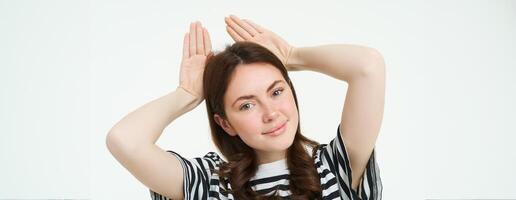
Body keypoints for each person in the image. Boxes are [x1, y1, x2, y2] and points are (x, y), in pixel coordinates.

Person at [106, 15, 385, 200]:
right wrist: (187, 94)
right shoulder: (208, 184)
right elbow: (124, 141)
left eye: (276, 91)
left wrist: (293, 56)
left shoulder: (334, 168)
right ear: (225, 123)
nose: (271, 112)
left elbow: (368, 67)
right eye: (247, 105)